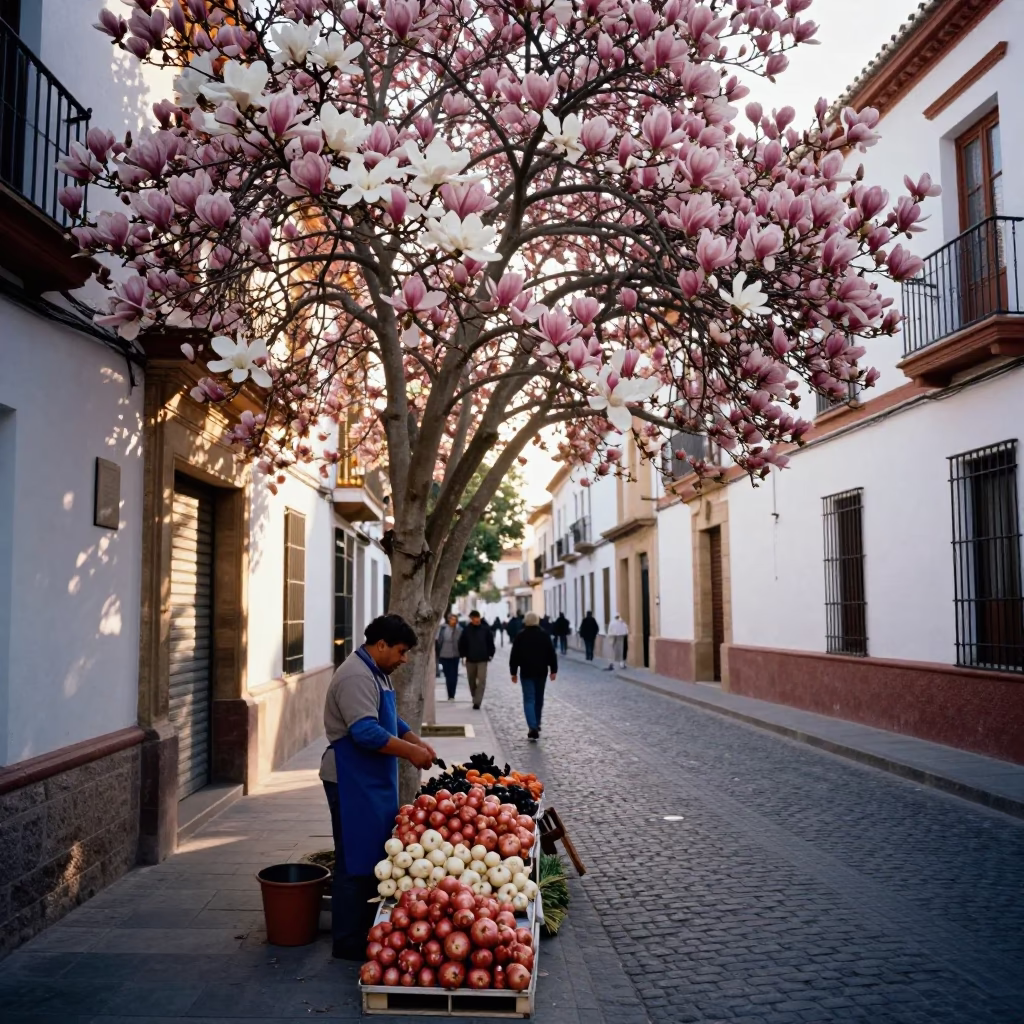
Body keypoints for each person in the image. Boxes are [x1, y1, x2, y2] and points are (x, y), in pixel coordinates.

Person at [319, 614, 436, 960]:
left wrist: (414, 738)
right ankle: (348, 943)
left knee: (373, 856)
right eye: (401, 651)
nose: (404, 659)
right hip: (350, 779)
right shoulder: (356, 675)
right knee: (354, 860)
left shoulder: (377, 672)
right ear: (380, 645)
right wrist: (412, 753)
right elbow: (366, 732)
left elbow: (389, 721)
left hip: (372, 780)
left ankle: (367, 933)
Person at [510, 611, 558, 741]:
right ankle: (536, 723)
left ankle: (532, 726)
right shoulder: (544, 635)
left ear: (526, 621)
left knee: (529, 699)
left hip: (526, 672)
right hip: (541, 672)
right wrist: (553, 670)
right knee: (539, 698)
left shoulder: (520, 636)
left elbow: (514, 655)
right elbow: (551, 653)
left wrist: (513, 672)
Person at [458, 610, 495, 709]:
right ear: (471, 619)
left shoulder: (485, 629)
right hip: (470, 659)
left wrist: (491, 654)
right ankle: (474, 695)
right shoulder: (466, 630)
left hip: (483, 659)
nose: (476, 620)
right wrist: (462, 655)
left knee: (482, 680)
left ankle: (477, 701)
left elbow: (490, 643)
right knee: (471, 680)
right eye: (474, 618)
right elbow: (462, 643)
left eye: (477, 618)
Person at [435, 613, 462, 700]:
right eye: (451, 619)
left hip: (455, 655)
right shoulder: (443, 629)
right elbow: (439, 641)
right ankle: (449, 692)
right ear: (449, 620)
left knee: (453, 675)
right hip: (444, 655)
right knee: (447, 675)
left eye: (454, 619)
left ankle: (452, 694)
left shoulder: (459, 630)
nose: (453, 621)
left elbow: (462, 642)